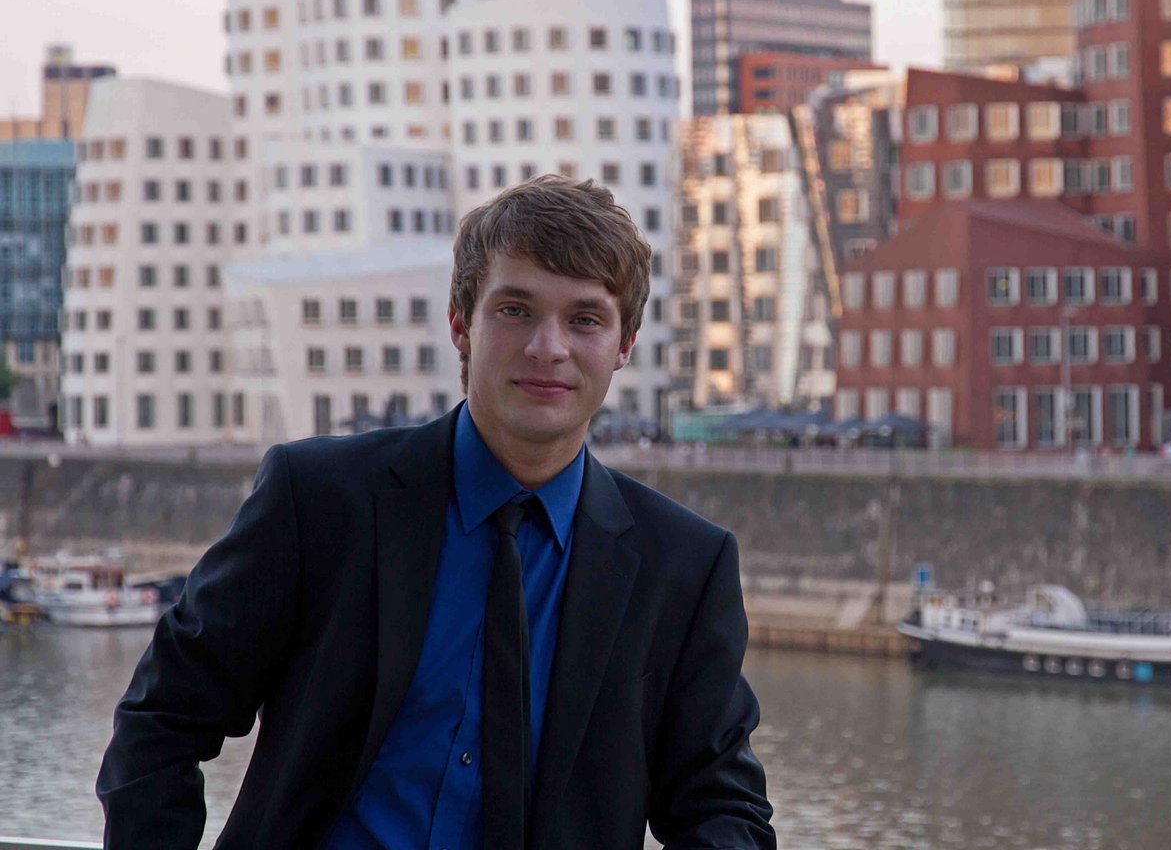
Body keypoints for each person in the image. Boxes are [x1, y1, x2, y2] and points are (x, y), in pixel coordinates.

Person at [98, 177, 775, 849]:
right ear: (461, 323)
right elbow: (164, 716)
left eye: (585, 319)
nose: (549, 347)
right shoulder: (319, 501)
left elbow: (722, 808)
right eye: (515, 310)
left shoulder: (683, 565)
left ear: (624, 344)